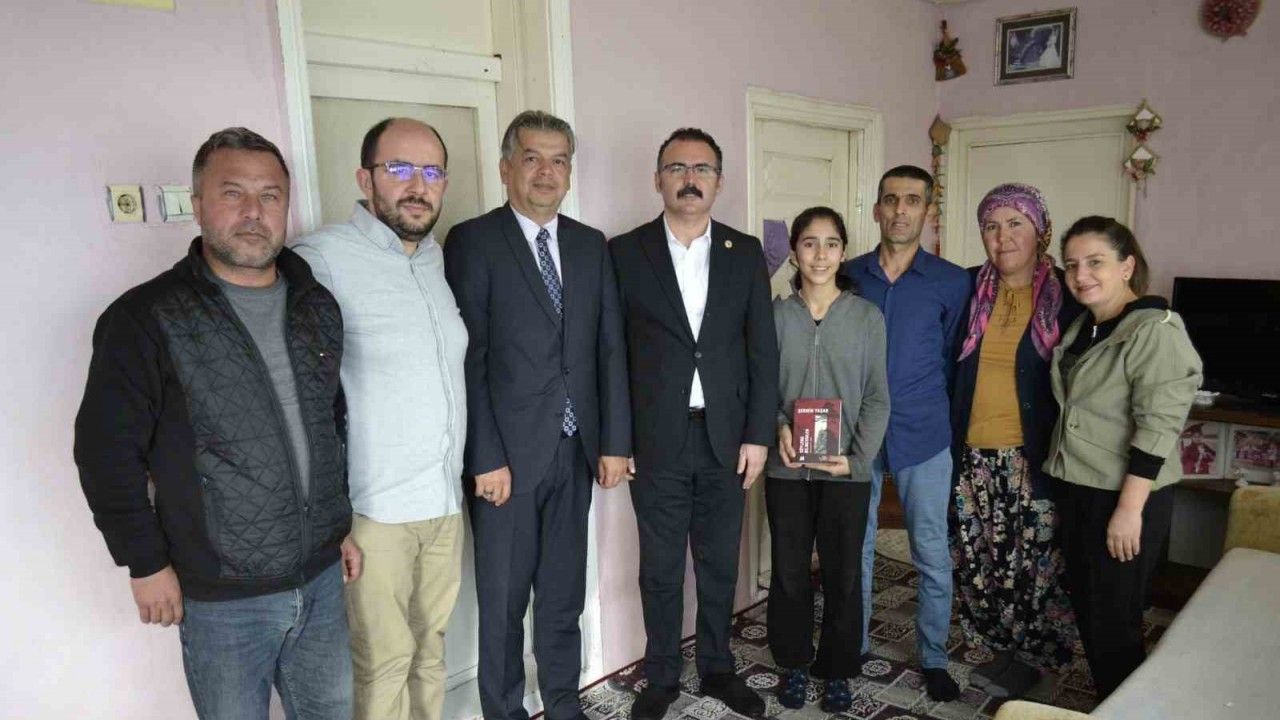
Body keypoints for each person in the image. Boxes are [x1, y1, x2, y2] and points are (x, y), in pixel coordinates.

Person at [73, 127, 359, 720]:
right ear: (199, 203)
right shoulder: (145, 318)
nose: (254, 212)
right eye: (233, 193)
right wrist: (145, 562)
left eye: (270, 195)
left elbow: (329, 424)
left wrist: (338, 525)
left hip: (321, 580)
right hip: (223, 599)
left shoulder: (316, 306)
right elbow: (105, 452)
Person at [442, 110, 631, 720]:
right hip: (506, 462)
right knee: (502, 601)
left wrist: (613, 443)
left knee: (562, 594)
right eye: (532, 159)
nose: (546, 172)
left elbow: (609, 348)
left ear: (570, 172)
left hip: (575, 454)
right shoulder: (473, 241)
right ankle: (503, 711)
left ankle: (563, 702)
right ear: (506, 168)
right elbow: (468, 356)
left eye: (558, 160)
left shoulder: (589, 244)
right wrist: (485, 456)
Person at [293, 117, 467, 720]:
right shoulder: (320, 258)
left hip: (443, 504)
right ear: (365, 179)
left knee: (430, 653)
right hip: (374, 514)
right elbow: (297, 394)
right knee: (383, 663)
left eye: (432, 171)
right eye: (399, 168)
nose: (418, 185)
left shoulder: (437, 260)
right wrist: (328, 514)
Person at [610, 127, 779, 720]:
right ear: (658, 179)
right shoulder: (625, 252)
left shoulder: (745, 252)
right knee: (659, 567)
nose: (690, 178)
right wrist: (618, 440)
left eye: (702, 168)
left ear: (718, 182)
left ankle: (717, 668)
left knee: (718, 563)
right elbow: (612, 352)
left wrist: (757, 434)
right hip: (655, 440)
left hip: (725, 438)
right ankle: (661, 676)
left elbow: (762, 351)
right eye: (677, 168)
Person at [1046, 216, 1202, 699]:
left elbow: (1158, 427)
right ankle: (1113, 699)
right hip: (1081, 486)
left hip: (1125, 495)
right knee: (1091, 608)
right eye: (1072, 265)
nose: (1081, 275)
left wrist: (1129, 510)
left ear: (1127, 266)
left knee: (1114, 618)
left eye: (1096, 262)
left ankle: (1127, 705)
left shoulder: (1154, 330)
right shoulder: (1085, 326)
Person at [841, 165, 970, 701]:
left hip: (925, 431)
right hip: (858, 433)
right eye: (891, 199)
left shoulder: (953, 282)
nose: (900, 210)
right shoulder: (848, 274)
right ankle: (852, 643)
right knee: (856, 545)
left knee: (931, 550)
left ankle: (934, 658)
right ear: (877, 208)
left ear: (929, 211)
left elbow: (953, 355)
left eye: (912, 200)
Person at [948, 184, 1082, 698]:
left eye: (1015, 224)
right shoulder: (965, 290)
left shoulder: (1069, 298)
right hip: (971, 458)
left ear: (1040, 231)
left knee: (1036, 569)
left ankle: (1042, 668)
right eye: (991, 226)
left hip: (1033, 459)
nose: (1002, 237)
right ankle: (1004, 655)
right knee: (980, 563)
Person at [768, 207, 889, 713]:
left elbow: (878, 397)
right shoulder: (775, 316)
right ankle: (793, 661)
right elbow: (759, 388)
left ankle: (838, 667)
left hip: (845, 472)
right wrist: (778, 426)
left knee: (843, 573)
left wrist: (857, 461)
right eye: (810, 243)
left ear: (843, 252)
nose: (820, 255)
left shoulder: (866, 318)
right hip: (787, 469)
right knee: (789, 570)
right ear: (794, 252)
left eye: (832, 243)